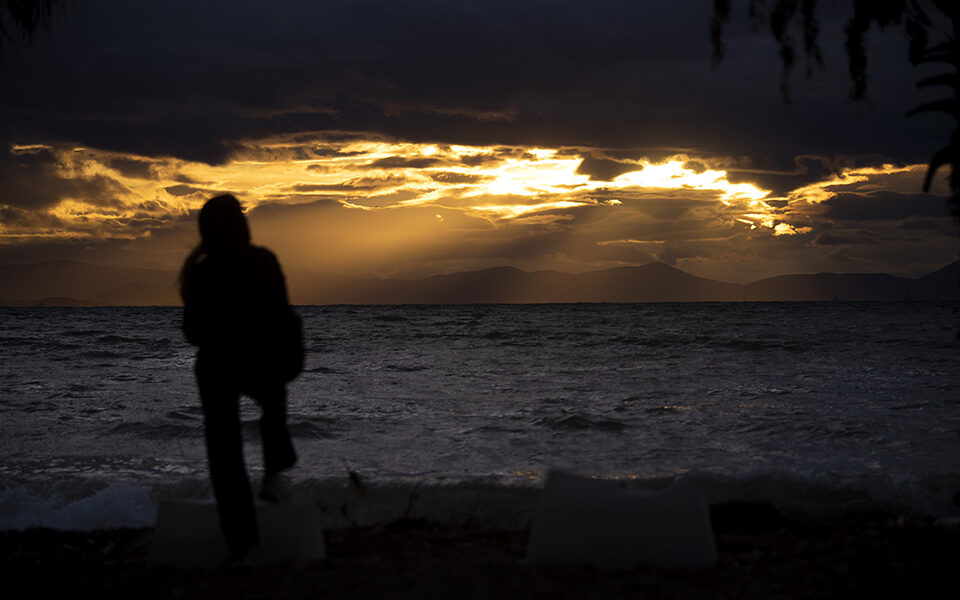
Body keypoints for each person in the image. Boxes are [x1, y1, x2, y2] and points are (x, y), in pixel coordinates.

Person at [179, 194, 303, 560]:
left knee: (224, 453)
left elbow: (192, 333)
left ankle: (241, 543)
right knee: (274, 400)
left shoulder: (200, 272)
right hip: (256, 359)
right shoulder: (262, 260)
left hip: (216, 365)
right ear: (241, 226)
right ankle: (275, 473)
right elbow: (281, 314)